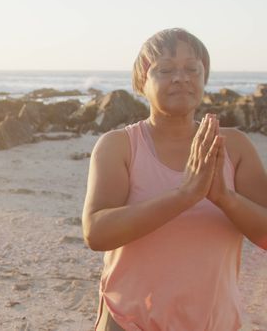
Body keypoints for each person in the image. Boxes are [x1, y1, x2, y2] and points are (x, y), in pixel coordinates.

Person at [81, 28, 267, 330]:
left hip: (214, 323)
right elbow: (96, 233)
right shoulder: (119, 146)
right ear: (142, 80)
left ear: (204, 77)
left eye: (192, 69)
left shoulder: (234, 146)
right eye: (165, 69)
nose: (181, 78)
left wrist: (226, 199)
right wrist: (183, 196)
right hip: (130, 321)